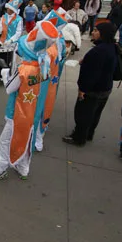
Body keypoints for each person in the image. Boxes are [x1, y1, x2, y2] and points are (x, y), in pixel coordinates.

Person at [0, 21, 60, 180]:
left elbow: (9, 88)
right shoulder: (44, 64)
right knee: (27, 139)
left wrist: (5, 71)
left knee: (5, 141)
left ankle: (0, 168)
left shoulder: (24, 69)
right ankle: (23, 168)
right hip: (33, 112)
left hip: (16, 112)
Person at [63, 23, 117, 146]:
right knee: (95, 114)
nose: (93, 32)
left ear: (103, 34)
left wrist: (82, 89)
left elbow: (92, 74)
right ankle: (88, 134)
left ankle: (78, 138)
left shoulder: (99, 51)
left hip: (92, 91)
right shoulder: (112, 47)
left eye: (96, 30)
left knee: (83, 115)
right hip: (105, 88)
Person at [34, 14, 79, 152]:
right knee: (42, 106)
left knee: (42, 107)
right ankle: (38, 133)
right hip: (48, 81)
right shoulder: (58, 42)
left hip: (45, 81)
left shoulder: (53, 46)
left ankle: (38, 135)